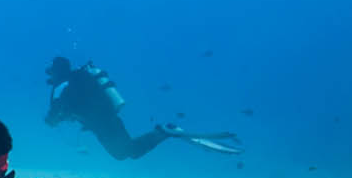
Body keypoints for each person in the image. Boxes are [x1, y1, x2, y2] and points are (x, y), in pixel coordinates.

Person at [44, 55, 241, 159]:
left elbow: (53, 118)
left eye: (51, 72)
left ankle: (164, 131)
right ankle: (163, 132)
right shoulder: (82, 77)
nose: (50, 76)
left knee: (125, 153)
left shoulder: (62, 86)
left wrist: (53, 119)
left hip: (102, 123)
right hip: (108, 118)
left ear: (57, 71)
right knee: (127, 152)